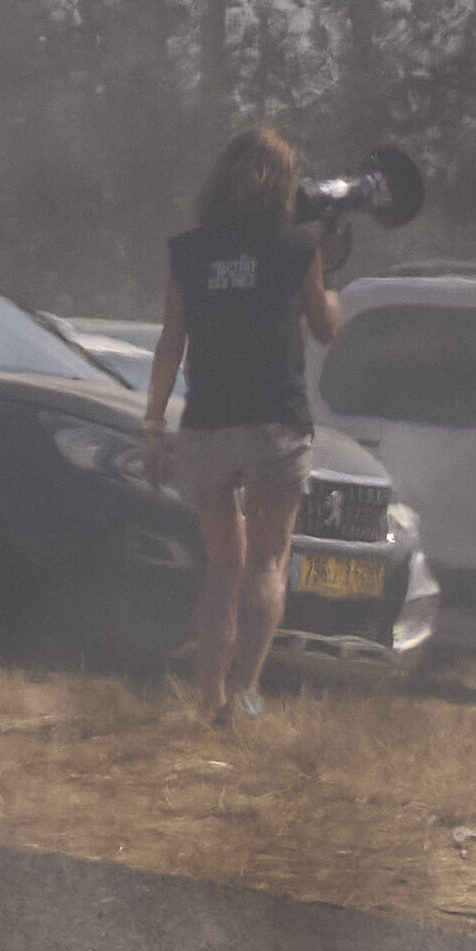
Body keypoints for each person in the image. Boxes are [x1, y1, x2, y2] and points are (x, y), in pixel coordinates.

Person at [151, 124, 346, 728]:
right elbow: (324, 327)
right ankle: (247, 698)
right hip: (275, 425)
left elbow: (170, 342)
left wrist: (153, 427)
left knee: (222, 567)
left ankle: (207, 696)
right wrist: (328, 276)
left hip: (207, 425)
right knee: (267, 563)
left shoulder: (188, 250)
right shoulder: (298, 245)